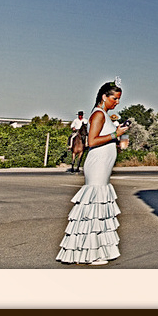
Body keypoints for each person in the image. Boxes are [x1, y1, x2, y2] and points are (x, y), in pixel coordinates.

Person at [56, 79, 130, 266]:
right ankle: (88, 253)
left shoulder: (104, 115)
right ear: (104, 97)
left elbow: (105, 139)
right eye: (114, 98)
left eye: (119, 99)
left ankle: (93, 250)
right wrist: (116, 134)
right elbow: (92, 141)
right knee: (93, 206)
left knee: (98, 207)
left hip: (104, 165)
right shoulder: (98, 115)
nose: (117, 102)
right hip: (97, 165)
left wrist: (118, 140)